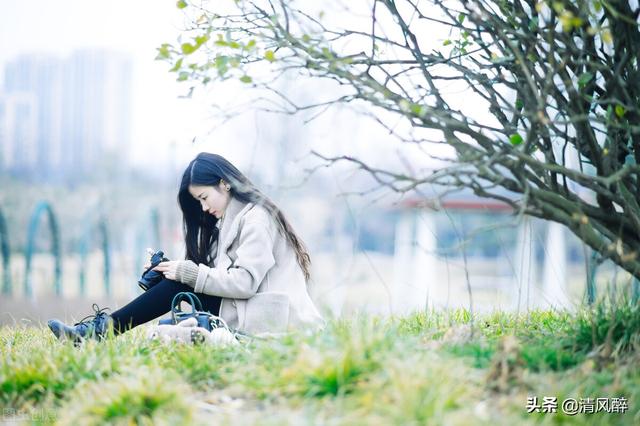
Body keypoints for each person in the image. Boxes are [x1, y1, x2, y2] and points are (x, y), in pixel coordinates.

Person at [47, 152, 324, 343]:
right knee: (179, 279)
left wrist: (186, 273)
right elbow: (212, 276)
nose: (204, 208)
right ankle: (98, 332)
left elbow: (244, 283)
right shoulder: (230, 222)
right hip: (251, 312)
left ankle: (99, 332)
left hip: (277, 322)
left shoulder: (257, 218)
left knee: (184, 281)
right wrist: (169, 269)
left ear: (224, 183)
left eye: (204, 197)